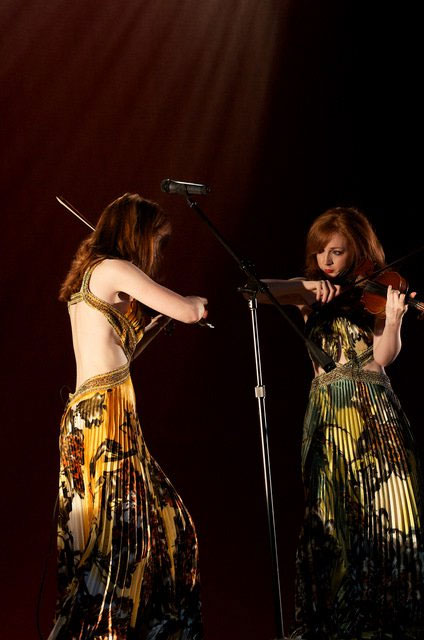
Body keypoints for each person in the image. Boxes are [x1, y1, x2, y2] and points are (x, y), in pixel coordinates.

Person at [48, 193, 207, 640]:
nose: (157, 251)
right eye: (156, 240)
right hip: (106, 417)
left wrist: (151, 326)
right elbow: (188, 310)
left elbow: (117, 353)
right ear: (138, 234)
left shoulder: (92, 274)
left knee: (148, 527)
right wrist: (194, 304)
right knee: (129, 538)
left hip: (91, 414)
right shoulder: (115, 268)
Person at [260, 207, 424, 639]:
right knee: (331, 515)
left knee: (388, 510)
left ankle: (387, 620)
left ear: (357, 250)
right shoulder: (311, 294)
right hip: (330, 412)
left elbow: (383, 357)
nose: (327, 261)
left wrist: (394, 319)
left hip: (374, 407)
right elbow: (255, 291)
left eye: (336, 252)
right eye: (321, 252)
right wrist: (304, 285)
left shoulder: (376, 291)